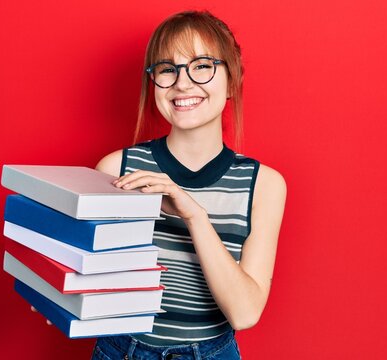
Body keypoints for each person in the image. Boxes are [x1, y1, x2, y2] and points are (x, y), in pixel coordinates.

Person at [93, 10, 286, 359]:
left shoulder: (264, 185)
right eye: (168, 69)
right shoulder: (115, 168)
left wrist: (194, 215)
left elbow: (244, 313)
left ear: (231, 81)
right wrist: (58, 292)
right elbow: (91, 278)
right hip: (121, 349)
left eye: (201, 66)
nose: (182, 83)